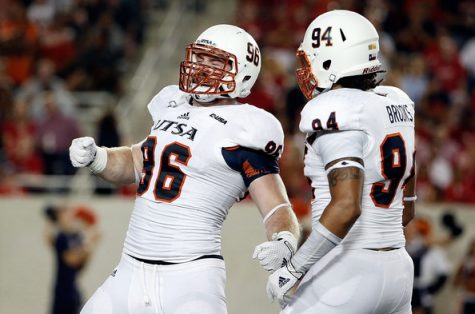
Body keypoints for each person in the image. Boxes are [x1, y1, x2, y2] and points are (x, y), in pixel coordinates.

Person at [69, 24, 300, 313]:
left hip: (190, 276)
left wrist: (285, 240)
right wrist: (97, 157)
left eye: (215, 61)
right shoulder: (172, 105)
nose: (203, 67)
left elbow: (277, 207)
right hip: (130, 268)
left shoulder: (245, 126)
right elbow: (134, 162)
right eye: (200, 58)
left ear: (243, 73)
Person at [259, 10, 417, 313]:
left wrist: (295, 268)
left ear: (331, 60)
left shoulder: (332, 107)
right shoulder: (396, 101)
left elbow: (347, 205)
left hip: (347, 266)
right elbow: (406, 207)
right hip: (398, 267)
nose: (304, 68)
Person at [44, 204, 100, 314]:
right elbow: (71, 260)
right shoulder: (61, 237)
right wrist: (88, 244)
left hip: (73, 290)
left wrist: (89, 247)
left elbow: (81, 266)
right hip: (62, 291)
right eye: (65, 215)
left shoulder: (76, 237)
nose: (71, 218)